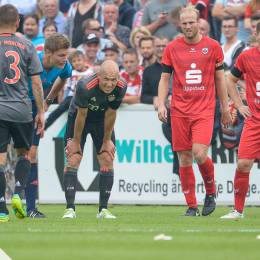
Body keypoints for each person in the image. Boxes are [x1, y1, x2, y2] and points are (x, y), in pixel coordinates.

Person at [158, 5, 232, 217]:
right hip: (179, 110)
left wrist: (225, 108)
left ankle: (210, 193)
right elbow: (165, 79)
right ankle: (191, 206)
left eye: (192, 22)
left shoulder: (213, 46)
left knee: (200, 154)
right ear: (179, 25)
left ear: (199, 22)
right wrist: (162, 103)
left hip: (204, 110)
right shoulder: (172, 48)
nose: (188, 26)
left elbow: (220, 79)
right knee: (184, 158)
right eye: (185, 23)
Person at [63, 60, 127, 219]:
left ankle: (103, 210)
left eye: (114, 79)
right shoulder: (85, 86)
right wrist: (76, 141)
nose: (110, 84)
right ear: (98, 76)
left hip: (102, 120)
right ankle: (70, 209)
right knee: (74, 158)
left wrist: (107, 140)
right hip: (79, 119)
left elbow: (112, 113)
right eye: (106, 79)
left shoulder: (121, 87)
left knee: (107, 158)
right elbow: (81, 115)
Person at [0, 4, 44, 223]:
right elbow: (36, 82)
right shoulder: (27, 45)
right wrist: (41, 112)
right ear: (17, 22)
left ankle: (1, 208)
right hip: (22, 110)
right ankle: (18, 191)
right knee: (24, 154)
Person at [26, 33, 72, 218]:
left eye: (66, 54)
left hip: (35, 108)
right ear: (47, 53)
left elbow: (63, 78)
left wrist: (47, 102)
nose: (65, 59)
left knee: (32, 153)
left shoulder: (64, 66)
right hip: (15, 105)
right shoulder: (32, 61)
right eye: (61, 55)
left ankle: (30, 208)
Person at [220, 21, 260, 220]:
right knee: (243, 163)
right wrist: (238, 104)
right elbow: (229, 79)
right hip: (255, 121)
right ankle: (238, 211)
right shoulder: (247, 57)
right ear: (257, 35)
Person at [45, 50, 90, 130]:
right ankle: (46, 123)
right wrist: (60, 100)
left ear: (84, 61)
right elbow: (64, 88)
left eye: (79, 60)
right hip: (71, 98)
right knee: (61, 109)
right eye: (74, 61)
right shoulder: (70, 73)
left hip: (85, 99)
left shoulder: (90, 73)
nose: (77, 63)